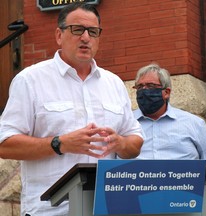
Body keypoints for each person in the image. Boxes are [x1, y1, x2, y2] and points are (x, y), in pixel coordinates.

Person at [0, 3, 143, 216]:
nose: (85, 37)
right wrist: (60, 144)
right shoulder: (30, 80)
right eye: (77, 29)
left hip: (105, 208)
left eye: (93, 32)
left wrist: (120, 143)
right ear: (59, 35)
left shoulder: (114, 83)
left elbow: (136, 141)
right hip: (49, 212)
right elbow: (5, 144)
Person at [132, 63, 206, 164]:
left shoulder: (194, 124)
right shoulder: (124, 124)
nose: (144, 90)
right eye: (140, 87)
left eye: (150, 86)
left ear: (166, 92)